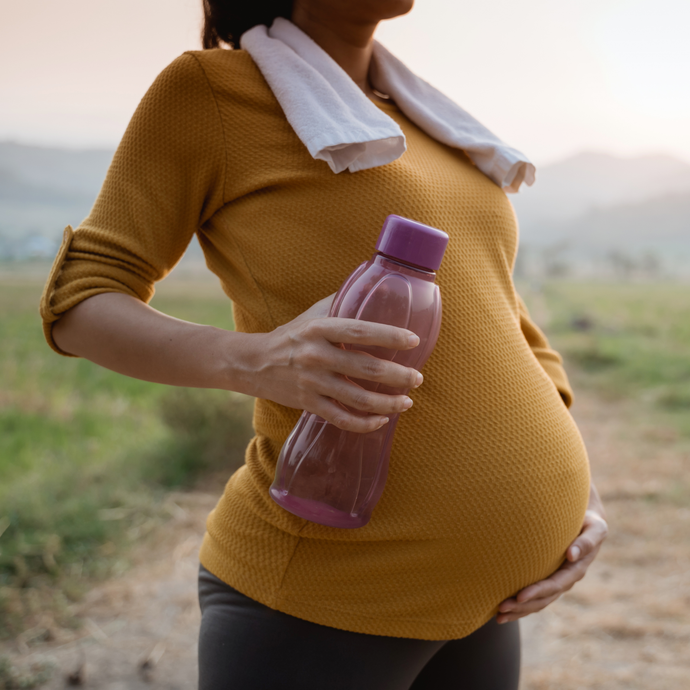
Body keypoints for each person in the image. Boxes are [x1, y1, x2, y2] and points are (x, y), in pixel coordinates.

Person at [39, 1, 608, 688]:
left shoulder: (416, 116)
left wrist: (573, 494)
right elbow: (81, 299)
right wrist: (253, 359)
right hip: (326, 601)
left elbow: (499, 311)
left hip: (484, 609)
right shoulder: (211, 91)